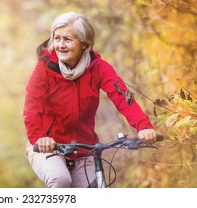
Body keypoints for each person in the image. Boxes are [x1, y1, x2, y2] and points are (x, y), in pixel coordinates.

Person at [23, 12, 157, 188]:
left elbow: (122, 98)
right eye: (57, 38)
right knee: (61, 180)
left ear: (84, 44)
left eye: (68, 39)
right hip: (48, 145)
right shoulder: (44, 68)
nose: (60, 45)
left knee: (95, 188)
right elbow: (32, 108)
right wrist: (39, 138)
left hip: (84, 148)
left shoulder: (99, 68)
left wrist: (144, 126)